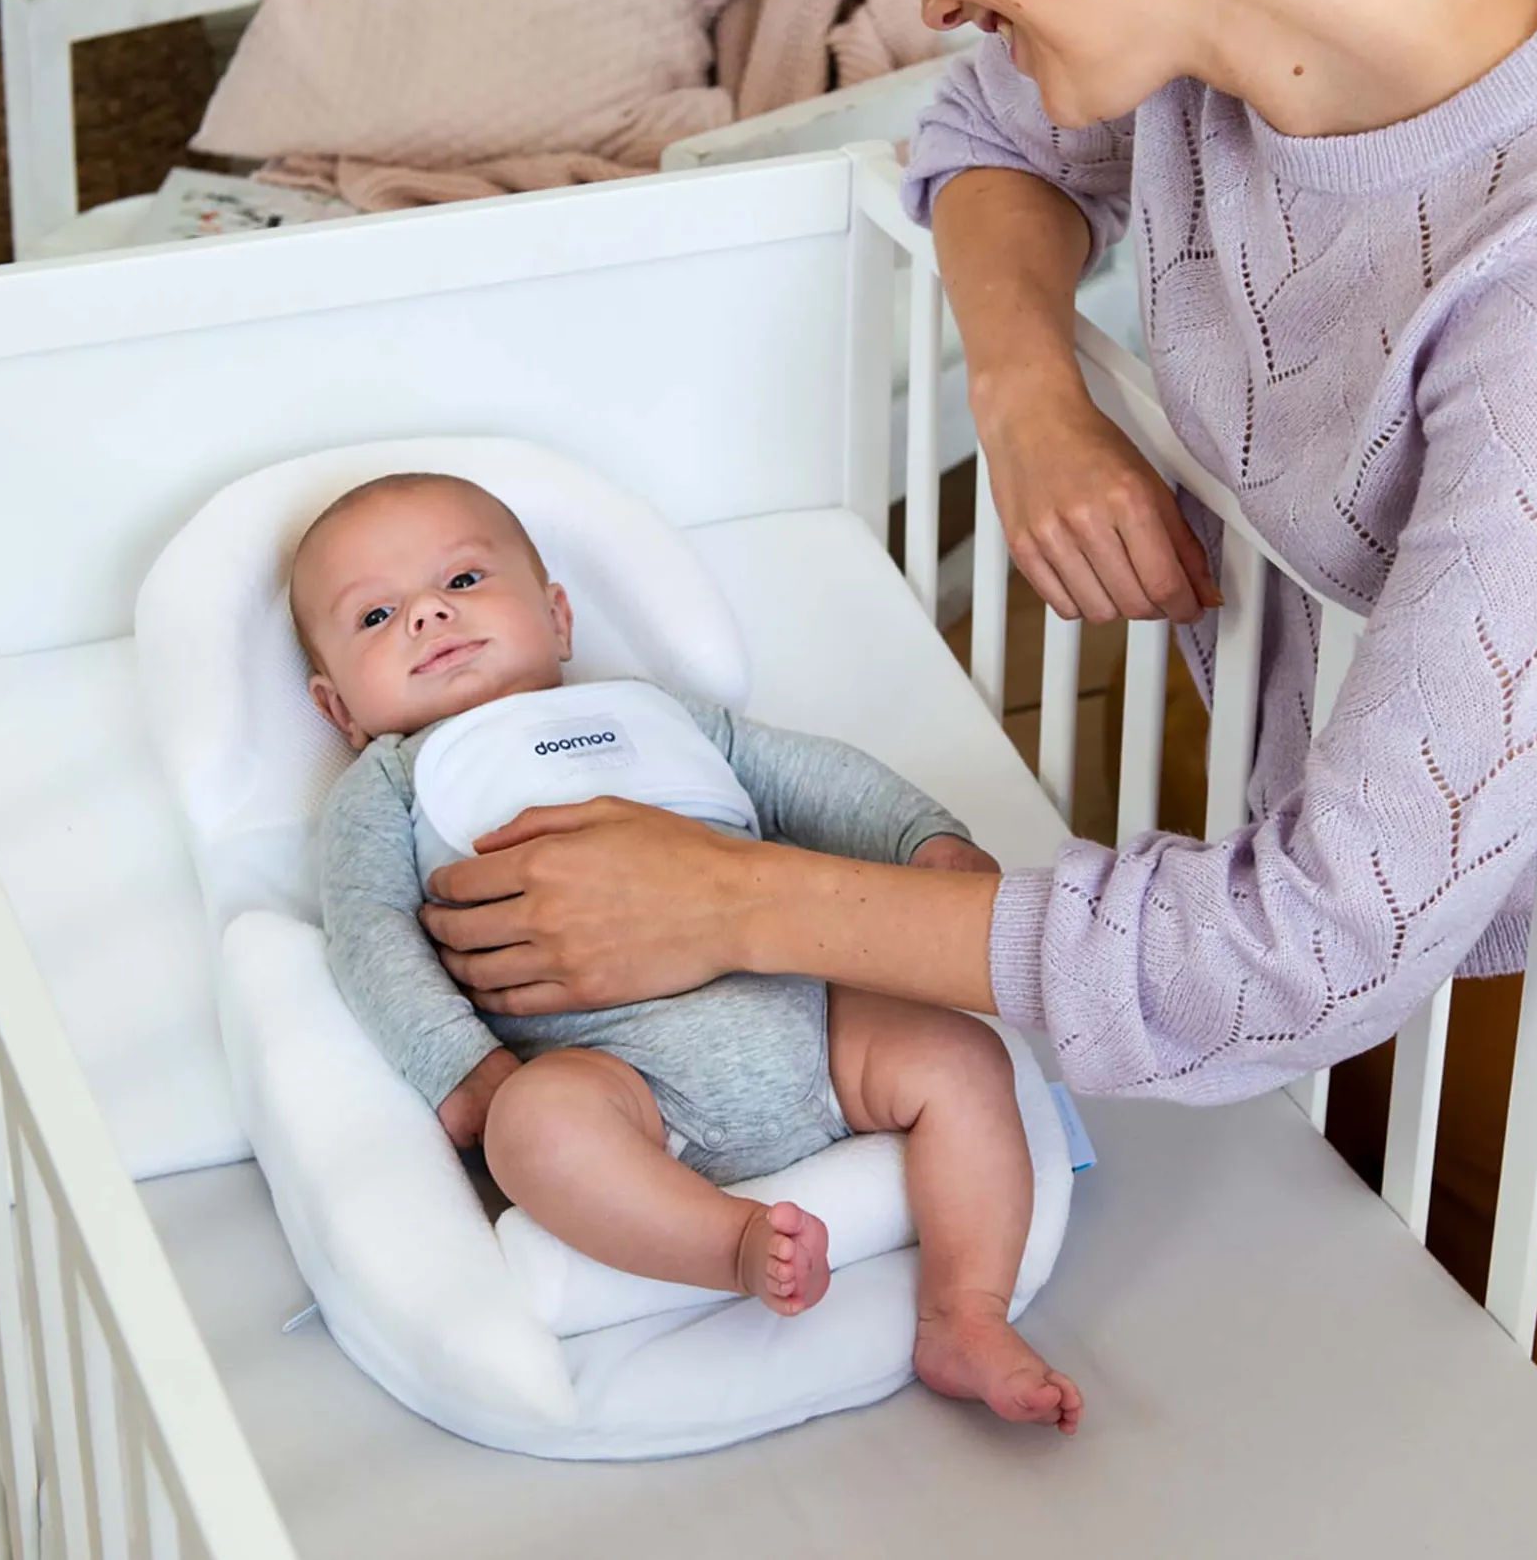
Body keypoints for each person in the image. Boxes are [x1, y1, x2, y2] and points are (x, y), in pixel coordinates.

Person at [415, 0, 1537, 1543]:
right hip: (1297, 886)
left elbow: (1319, 941)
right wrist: (1032, 389)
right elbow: (985, 135)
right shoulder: (1214, 24)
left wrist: (733, 902)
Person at [291, 471, 1082, 1431]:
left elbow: (807, 775)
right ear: (338, 707)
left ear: (557, 616)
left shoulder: (656, 713)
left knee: (964, 1058)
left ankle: (966, 1311)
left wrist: (922, 839)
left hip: (807, 1019)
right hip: (617, 1075)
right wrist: (461, 1067)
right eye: (377, 615)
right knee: (531, 1129)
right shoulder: (390, 784)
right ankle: (732, 1245)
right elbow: (369, 932)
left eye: (461, 580)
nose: (427, 615)